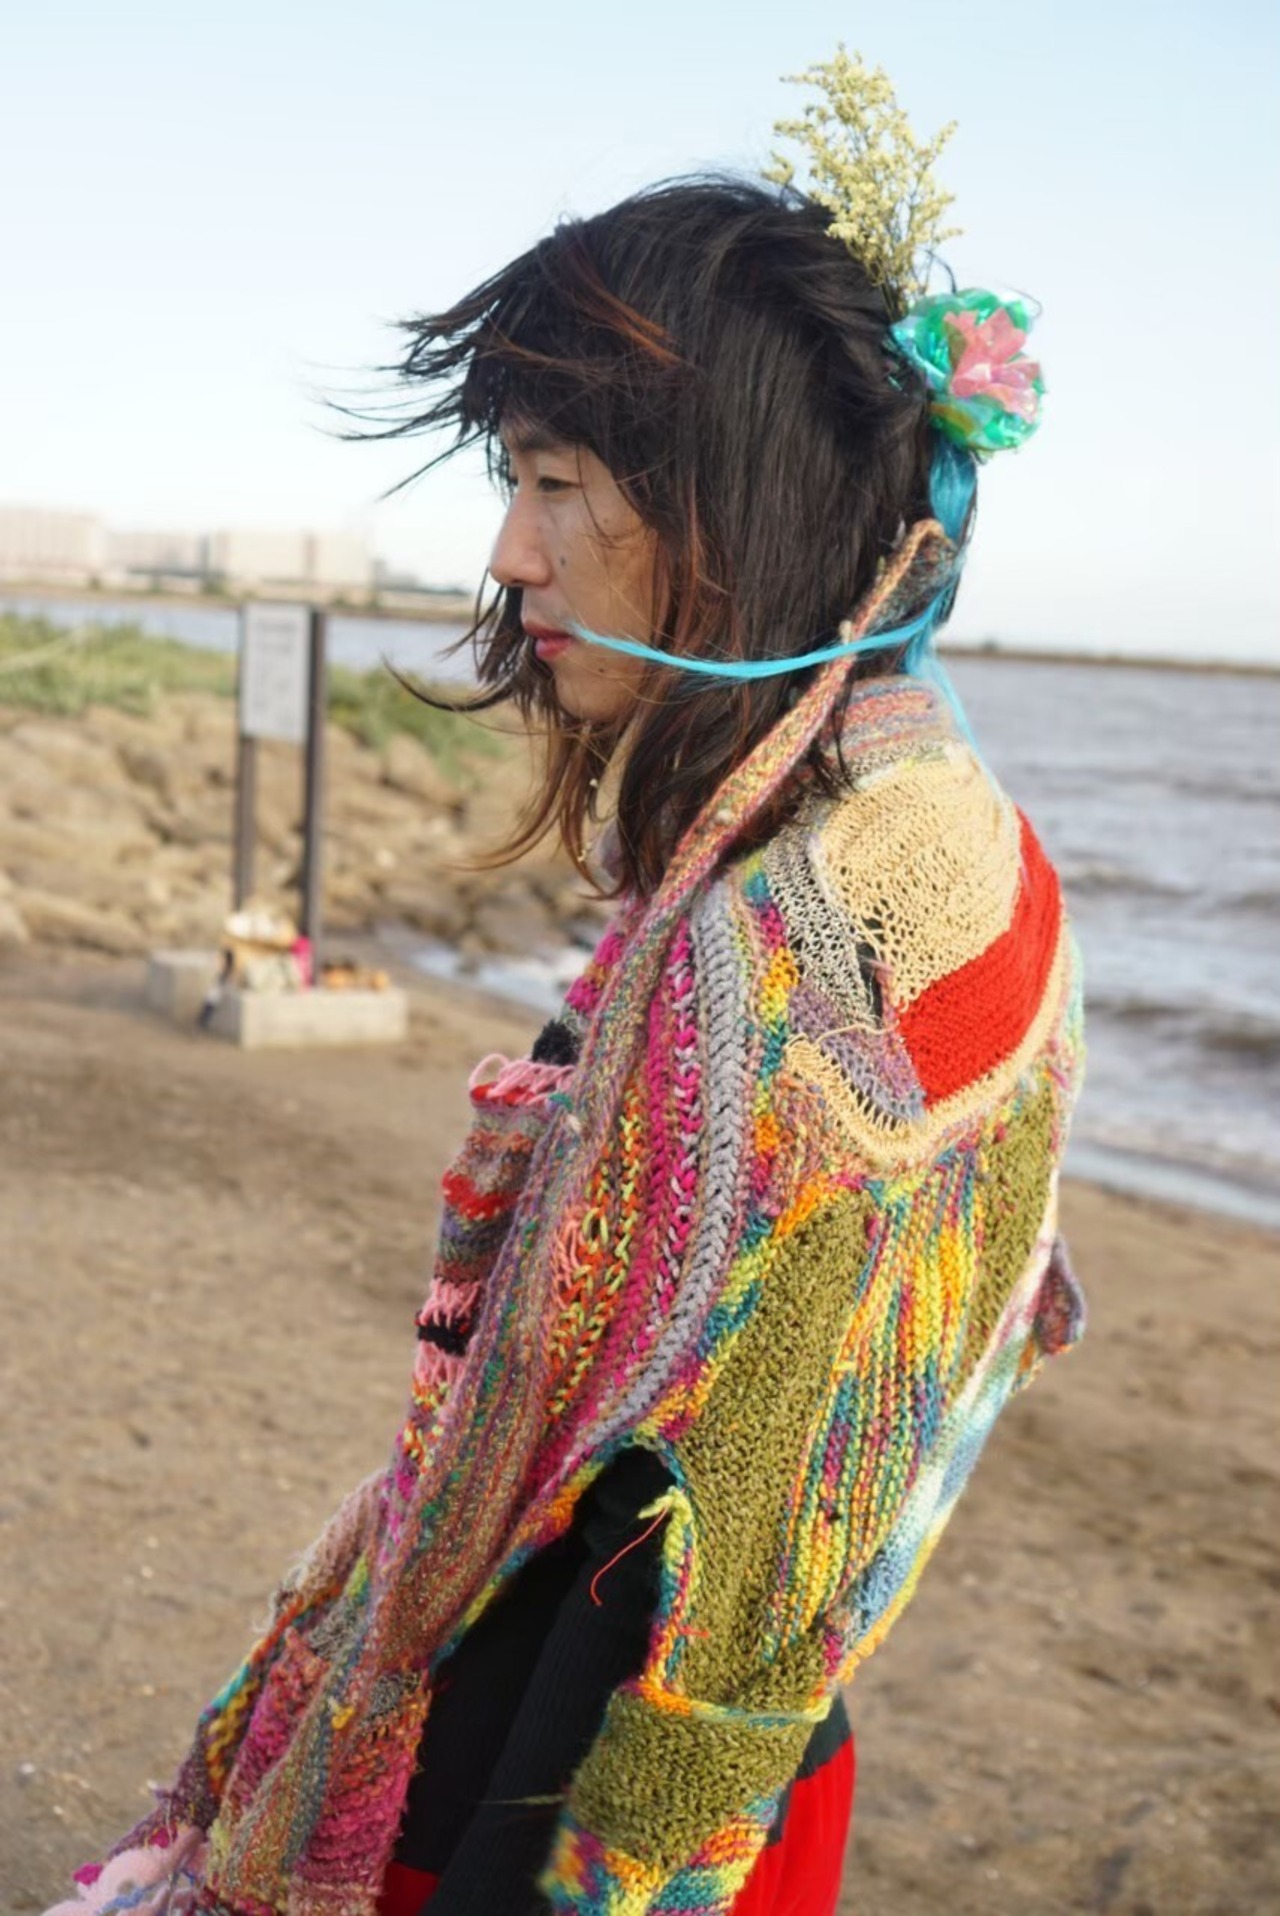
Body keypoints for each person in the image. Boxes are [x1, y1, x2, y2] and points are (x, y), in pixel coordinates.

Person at [46, 49, 1085, 1916]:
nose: (510, 552)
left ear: (726, 510)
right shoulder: (945, 837)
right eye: (510, 481)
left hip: (588, 1781)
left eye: (554, 483)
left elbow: (685, 1550)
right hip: (753, 1756)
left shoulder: (789, 945)